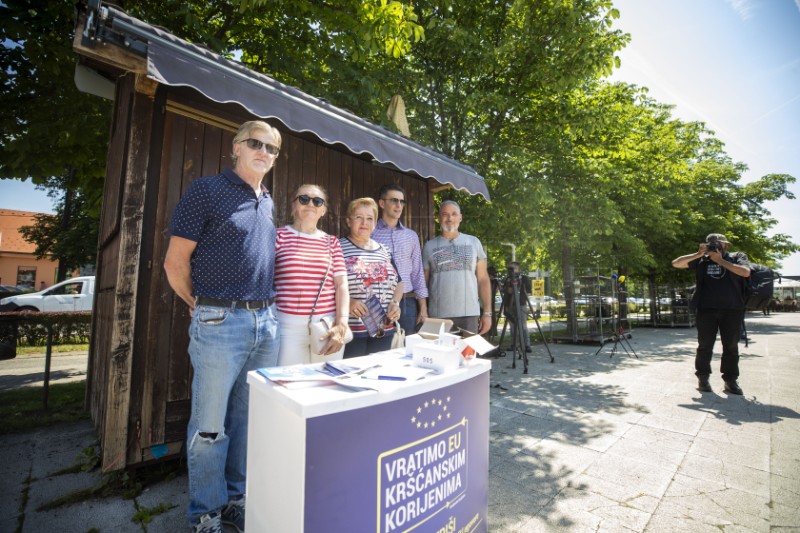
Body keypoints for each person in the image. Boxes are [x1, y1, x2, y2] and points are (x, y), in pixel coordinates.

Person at [163, 120, 281, 532]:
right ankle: (206, 513)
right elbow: (174, 264)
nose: (264, 151)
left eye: (272, 147)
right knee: (210, 428)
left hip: (266, 324)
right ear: (236, 147)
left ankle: (233, 500)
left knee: (244, 422)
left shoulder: (267, 200)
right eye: (256, 143)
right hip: (219, 321)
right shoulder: (205, 191)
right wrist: (203, 307)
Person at [275, 184, 350, 365]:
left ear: (323, 210)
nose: (310, 204)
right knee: (287, 385)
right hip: (287, 327)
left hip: (326, 326)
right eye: (304, 199)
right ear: (294, 205)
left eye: (317, 201)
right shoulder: (278, 236)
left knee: (324, 384)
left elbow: (341, 285)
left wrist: (342, 323)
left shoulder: (332, 242)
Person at [672, 233, 751, 395]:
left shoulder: (737, 257)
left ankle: (730, 381)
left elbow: (745, 272)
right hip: (706, 309)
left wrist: (720, 261)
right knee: (704, 345)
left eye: (718, 244)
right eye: (711, 244)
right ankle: (703, 378)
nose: (715, 246)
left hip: (732, 309)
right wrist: (698, 253)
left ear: (725, 245)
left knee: (730, 346)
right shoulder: (701, 259)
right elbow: (676, 263)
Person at [339, 197, 403, 357]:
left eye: (369, 219)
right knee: (352, 376)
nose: (364, 223)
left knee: (378, 375)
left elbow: (399, 282)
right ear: (348, 221)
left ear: (375, 223)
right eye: (358, 217)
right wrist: (349, 303)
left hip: (384, 329)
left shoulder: (385, 250)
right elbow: (327, 285)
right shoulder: (338, 247)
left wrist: (395, 302)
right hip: (351, 332)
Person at [422, 200, 492, 335]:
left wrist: (487, 313)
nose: (450, 218)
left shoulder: (474, 242)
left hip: (469, 315)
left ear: (460, 217)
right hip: (438, 316)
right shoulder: (429, 246)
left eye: (454, 214)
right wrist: (423, 310)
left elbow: (483, 279)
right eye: (445, 214)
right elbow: (423, 283)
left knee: (468, 356)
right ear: (438, 218)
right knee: (441, 356)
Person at [372, 184, 429, 334]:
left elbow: (417, 273)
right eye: (394, 201)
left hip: (407, 302)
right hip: (378, 302)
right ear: (382, 203)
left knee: (407, 350)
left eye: (402, 202)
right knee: (379, 351)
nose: (399, 206)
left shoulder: (411, 236)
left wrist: (423, 307)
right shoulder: (370, 233)